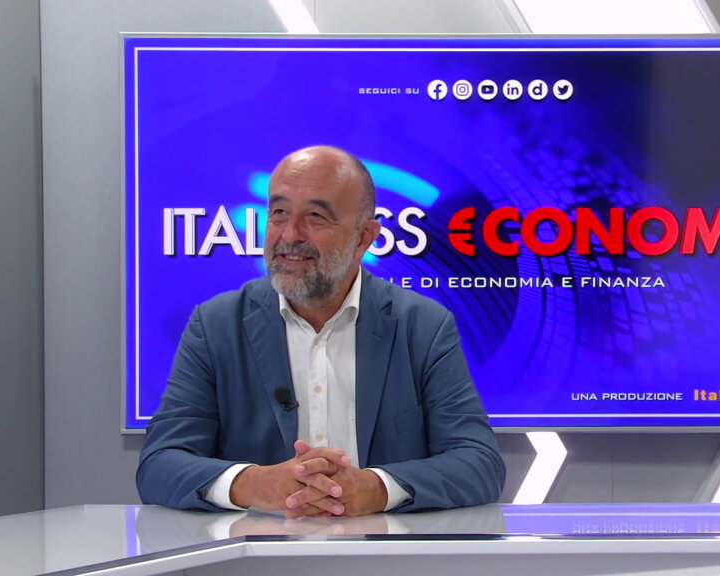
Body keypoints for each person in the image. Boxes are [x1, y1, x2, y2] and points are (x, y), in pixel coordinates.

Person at [137, 145, 505, 517]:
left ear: (364, 237)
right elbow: (159, 464)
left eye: (315, 216)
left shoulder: (423, 326)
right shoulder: (217, 325)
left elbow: (479, 464)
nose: (290, 234)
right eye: (279, 213)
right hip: (256, 547)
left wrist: (378, 489)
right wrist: (252, 483)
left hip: (382, 546)